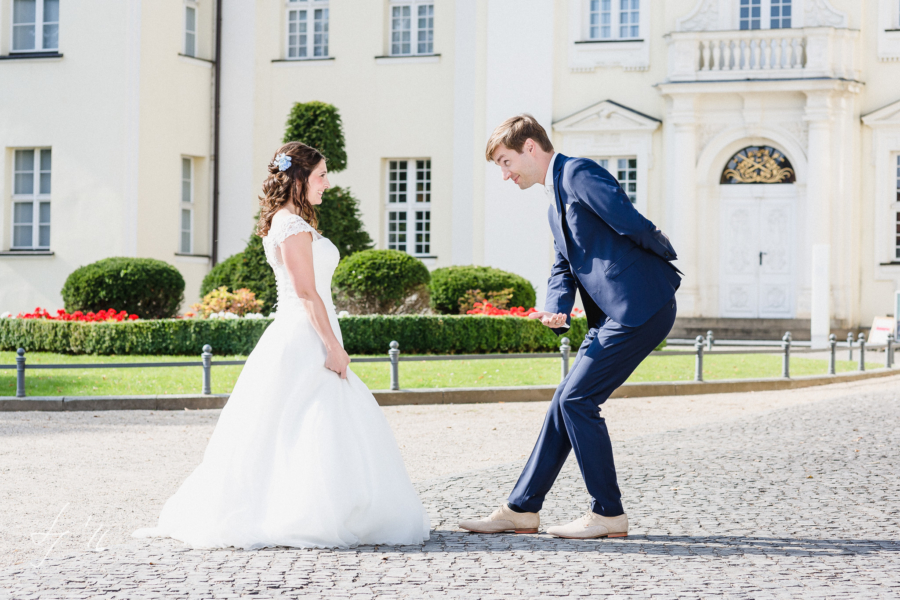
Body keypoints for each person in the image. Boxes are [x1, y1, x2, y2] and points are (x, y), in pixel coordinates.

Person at [134, 142, 430, 549]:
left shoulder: (292, 221)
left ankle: (341, 507)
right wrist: (332, 346)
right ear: (299, 179)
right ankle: (307, 511)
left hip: (311, 329)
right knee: (308, 421)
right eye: (322, 175)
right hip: (304, 335)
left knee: (315, 422)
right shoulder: (289, 225)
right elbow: (306, 292)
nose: (327, 183)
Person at [459, 115, 681, 539]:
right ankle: (521, 509)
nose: (505, 175)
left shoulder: (577, 172)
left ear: (529, 147)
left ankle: (608, 513)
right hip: (613, 314)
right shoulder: (553, 203)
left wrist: (663, 254)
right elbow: (563, 266)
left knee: (577, 399)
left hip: (641, 305)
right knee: (565, 400)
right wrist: (556, 307)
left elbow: (628, 220)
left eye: (506, 163)